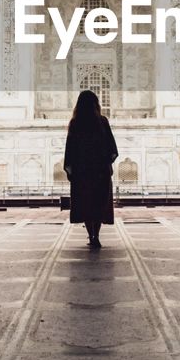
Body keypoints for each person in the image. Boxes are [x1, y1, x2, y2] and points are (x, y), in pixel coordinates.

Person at [63, 89, 118, 248]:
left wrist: (70, 169)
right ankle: (97, 235)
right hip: (100, 171)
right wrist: (107, 164)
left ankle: (91, 235)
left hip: (82, 172)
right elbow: (111, 147)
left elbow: (70, 149)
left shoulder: (75, 123)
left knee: (86, 203)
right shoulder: (102, 121)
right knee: (98, 204)